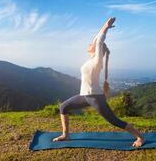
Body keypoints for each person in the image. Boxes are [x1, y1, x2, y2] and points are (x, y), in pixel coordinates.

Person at [52, 17, 146, 147]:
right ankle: (66, 134)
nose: (90, 44)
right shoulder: (91, 60)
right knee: (63, 107)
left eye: (92, 45)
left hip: (95, 97)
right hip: (85, 96)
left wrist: (106, 28)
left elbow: (99, 41)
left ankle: (140, 137)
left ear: (97, 50)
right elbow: (97, 40)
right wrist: (103, 26)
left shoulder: (97, 61)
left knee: (114, 121)